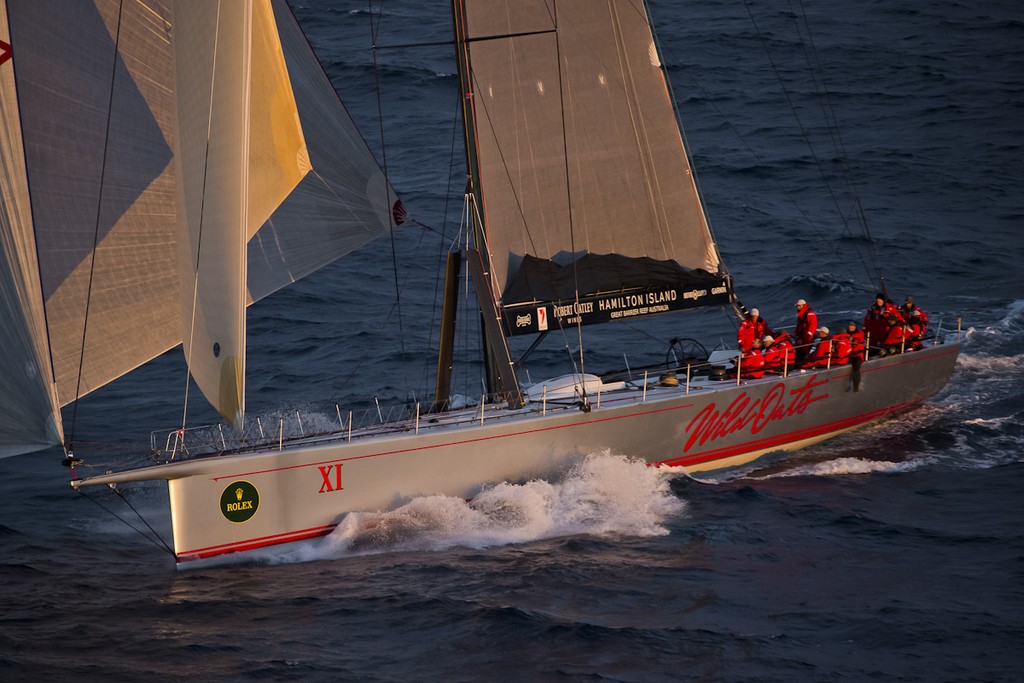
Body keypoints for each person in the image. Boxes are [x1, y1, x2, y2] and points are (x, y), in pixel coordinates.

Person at [794, 299, 817, 363]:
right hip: (801, 335)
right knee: (798, 349)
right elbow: (799, 324)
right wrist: (796, 333)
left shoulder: (809, 313)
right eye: (797, 306)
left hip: (807, 336)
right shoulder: (801, 313)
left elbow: (813, 324)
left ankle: (804, 363)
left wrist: (809, 334)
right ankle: (798, 362)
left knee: (805, 350)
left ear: (803, 305)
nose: (798, 307)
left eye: (799, 306)